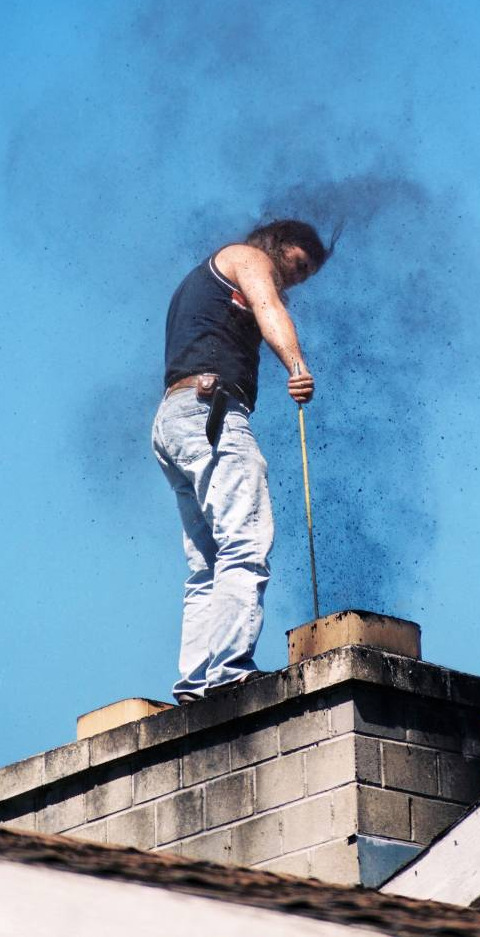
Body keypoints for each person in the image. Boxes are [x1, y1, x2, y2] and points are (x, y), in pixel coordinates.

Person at [152, 219, 330, 703]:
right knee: (244, 542)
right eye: (295, 267)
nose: (292, 281)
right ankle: (229, 672)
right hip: (210, 411)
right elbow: (269, 306)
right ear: (276, 244)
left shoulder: (200, 281)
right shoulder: (246, 258)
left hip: (174, 420)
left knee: (207, 562)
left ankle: (195, 685)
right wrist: (297, 367)